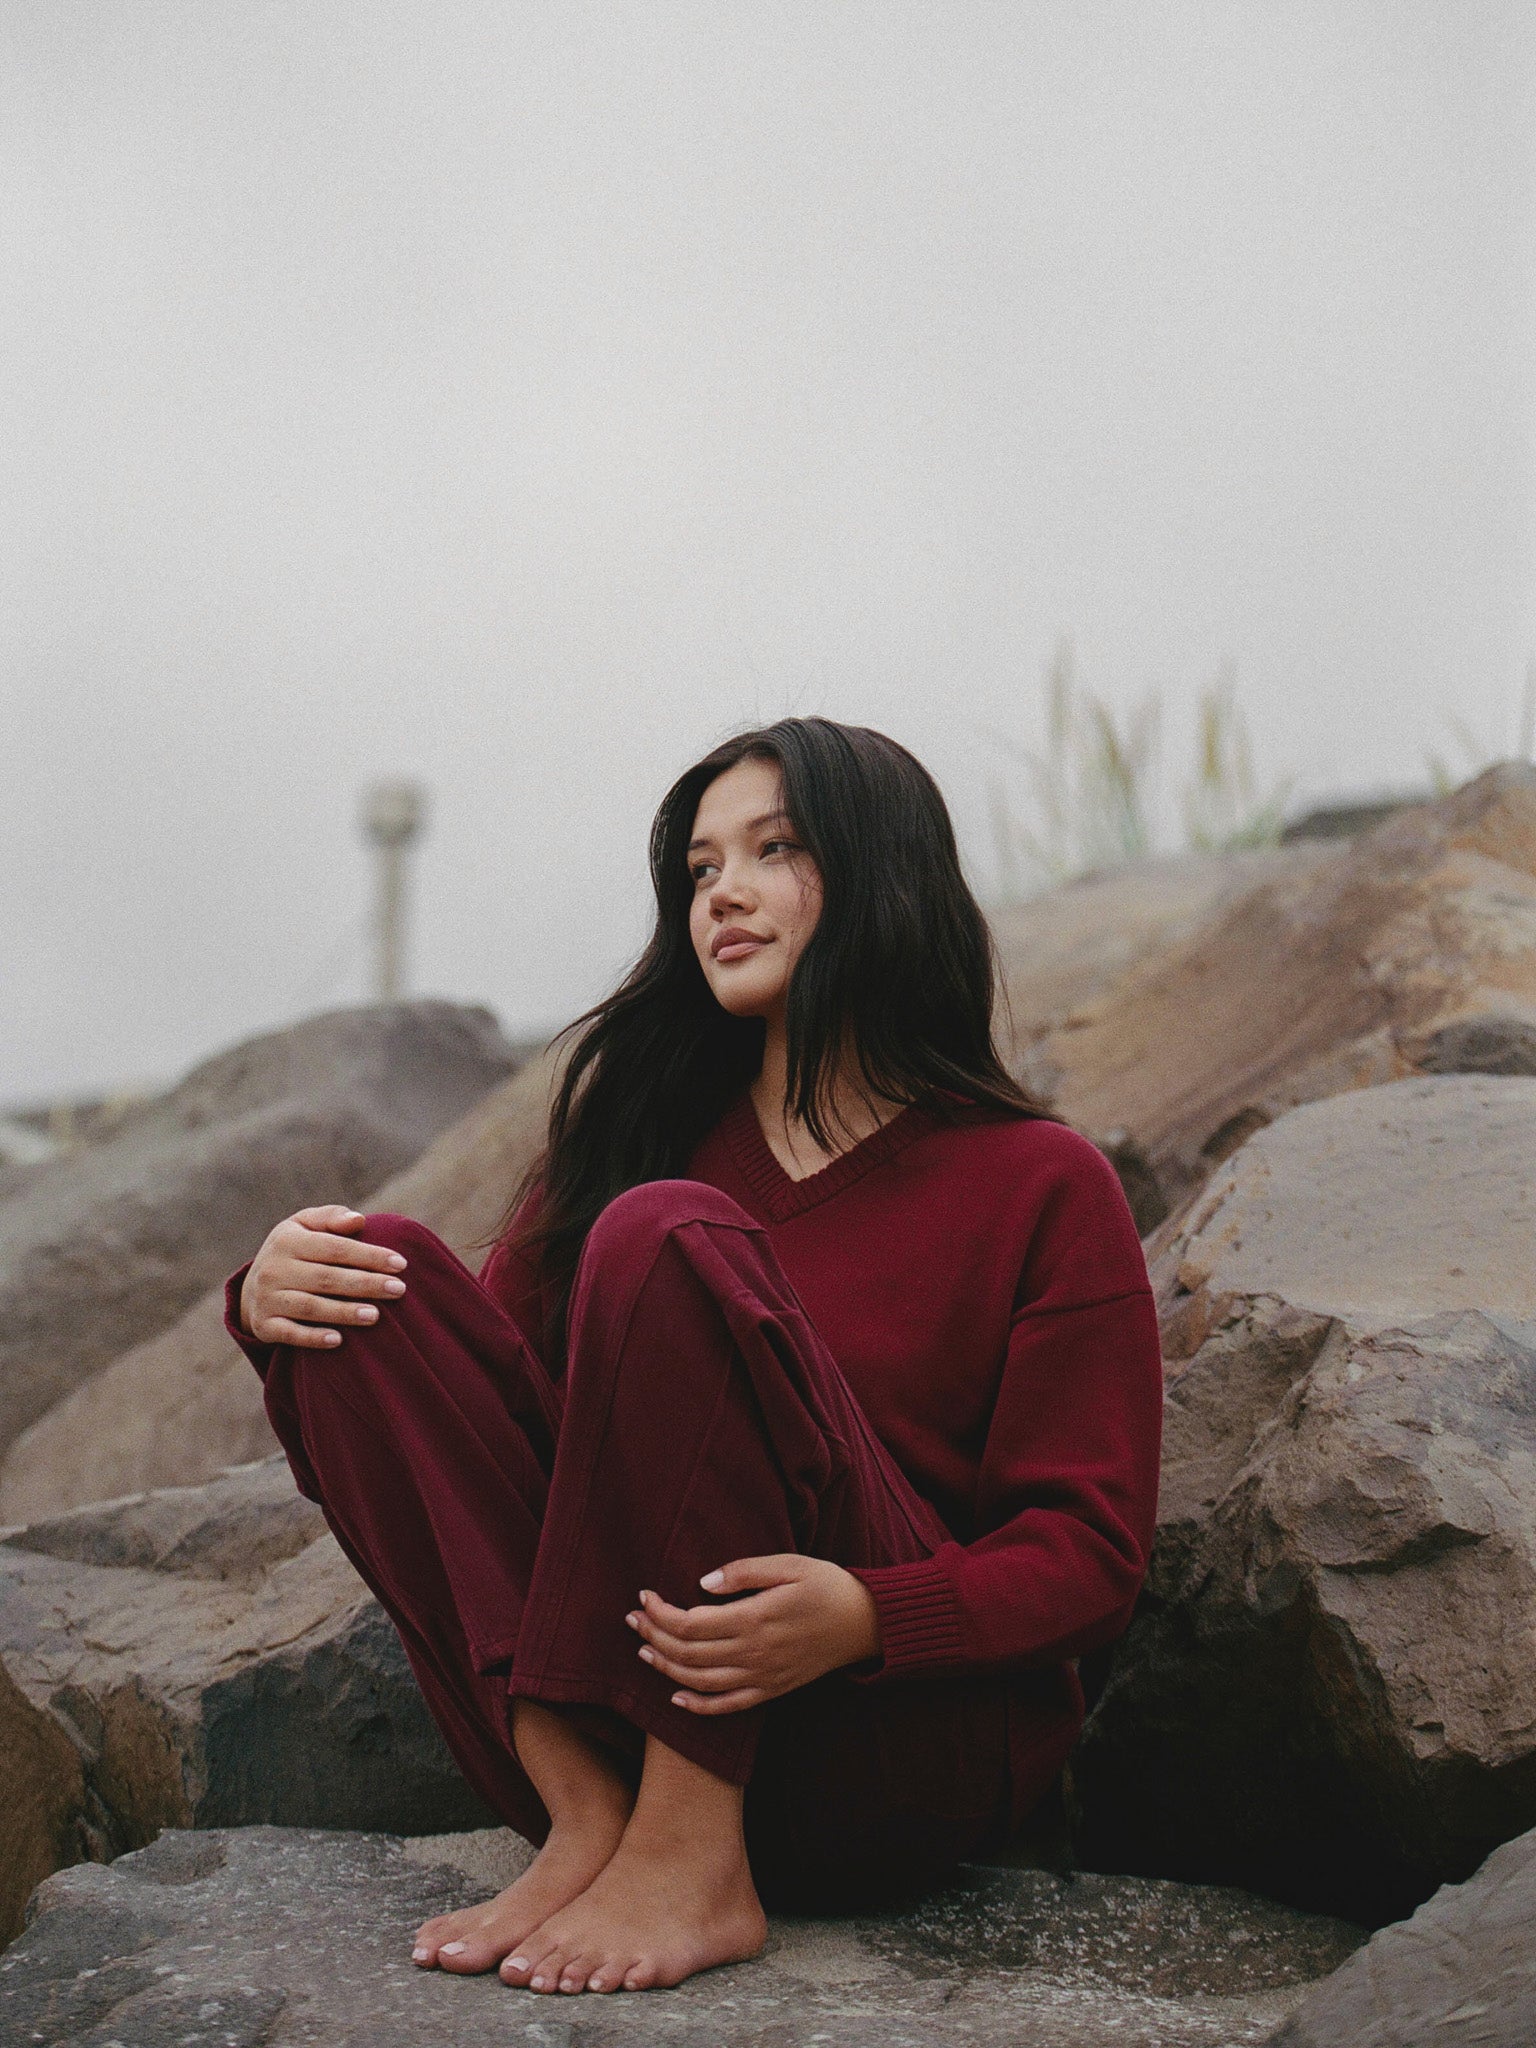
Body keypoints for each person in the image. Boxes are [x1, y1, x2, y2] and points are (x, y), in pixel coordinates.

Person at [227, 716, 1162, 1999]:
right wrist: (276, 1296)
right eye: (701, 866)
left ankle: (692, 1845)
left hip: (885, 1750)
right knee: (373, 1278)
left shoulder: (1039, 1181)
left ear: (884, 873)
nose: (722, 890)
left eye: (774, 849)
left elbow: (1091, 1555)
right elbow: (489, 1434)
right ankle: (590, 1820)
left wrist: (864, 1615)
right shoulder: (639, 1141)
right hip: (604, 1723)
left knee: (667, 1232)